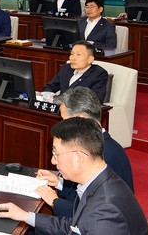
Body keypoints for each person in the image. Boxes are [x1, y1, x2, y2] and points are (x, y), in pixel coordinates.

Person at [0, 117, 148, 235]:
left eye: (56, 154)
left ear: (78, 157)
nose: (53, 161)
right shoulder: (100, 180)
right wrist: (25, 216)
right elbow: (74, 226)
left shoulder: (104, 212)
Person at [36, 87, 134, 218]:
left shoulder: (101, 155)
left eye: (65, 120)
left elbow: (85, 214)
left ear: (81, 119)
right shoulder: (104, 145)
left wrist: (55, 202)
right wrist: (59, 183)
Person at [43, 41, 109, 102]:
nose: (72, 58)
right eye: (72, 54)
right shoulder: (66, 68)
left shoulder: (98, 74)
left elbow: (97, 100)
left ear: (90, 59)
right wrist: (48, 95)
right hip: (60, 107)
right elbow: (50, 86)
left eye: (78, 55)